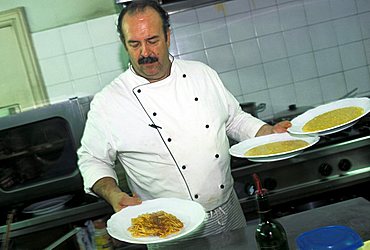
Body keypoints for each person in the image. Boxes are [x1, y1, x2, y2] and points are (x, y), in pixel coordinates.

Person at [77, 0, 291, 246]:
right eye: (134, 44)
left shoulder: (202, 74)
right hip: (168, 226)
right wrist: (113, 194)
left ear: (168, 35)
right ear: (123, 44)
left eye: (153, 41)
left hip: (229, 209)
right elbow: (92, 159)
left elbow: (234, 119)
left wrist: (267, 132)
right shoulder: (109, 102)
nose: (145, 53)